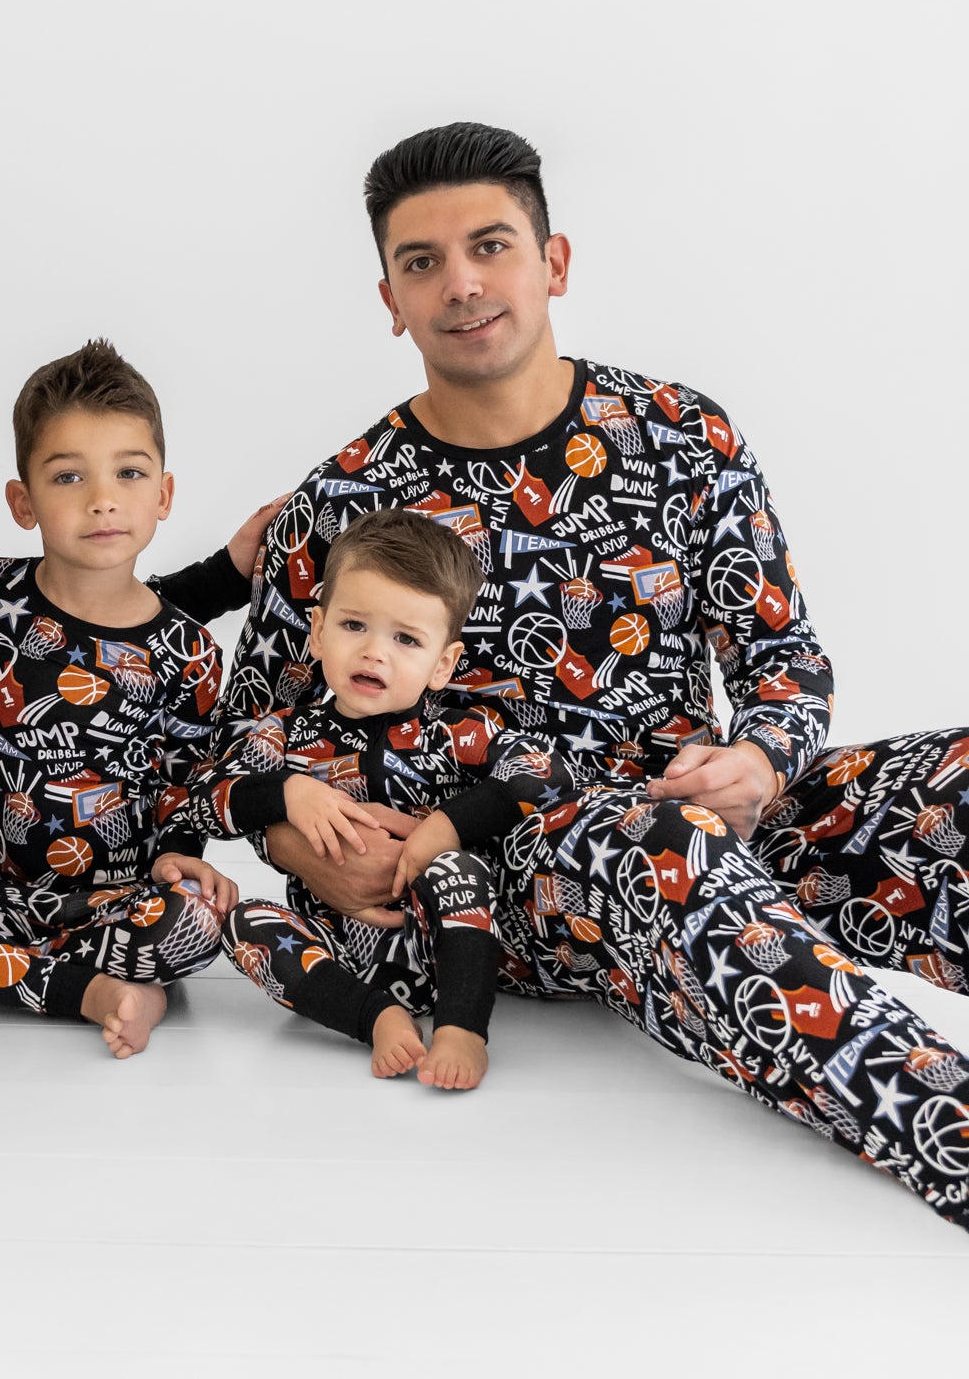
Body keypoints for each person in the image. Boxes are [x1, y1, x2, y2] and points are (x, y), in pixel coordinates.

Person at [220, 123, 969, 1230]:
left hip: (701, 816)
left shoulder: (684, 437)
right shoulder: (338, 503)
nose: (461, 284)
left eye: (490, 246)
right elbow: (251, 733)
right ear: (389, 297)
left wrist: (760, 759)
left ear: (552, 262)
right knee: (658, 855)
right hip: (498, 873)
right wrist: (300, 843)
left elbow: (781, 657)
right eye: (422, 262)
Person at [0, 340, 248, 1058]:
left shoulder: (189, 652)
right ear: (23, 502)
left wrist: (178, 866)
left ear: (163, 494)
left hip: (117, 903)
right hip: (5, 898)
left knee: (195, 920)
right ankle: (81, 986)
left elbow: (185, 791)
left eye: (129, 473)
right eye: (67, 476)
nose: (102, 498)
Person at [192, 509, 576, 1089]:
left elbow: (548, 777)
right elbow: (201, 799)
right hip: (338, 947)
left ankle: (462, 1027)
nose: (375, 653)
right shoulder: (283, 737)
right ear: (317, 632)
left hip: (442, 940)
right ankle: (375, 1017)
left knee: (458, 867)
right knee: (242, 922)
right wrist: (288, 793)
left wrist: (442, 827)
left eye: (405, 639)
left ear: (442, 664)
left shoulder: (454, 733)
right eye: (354, 626)